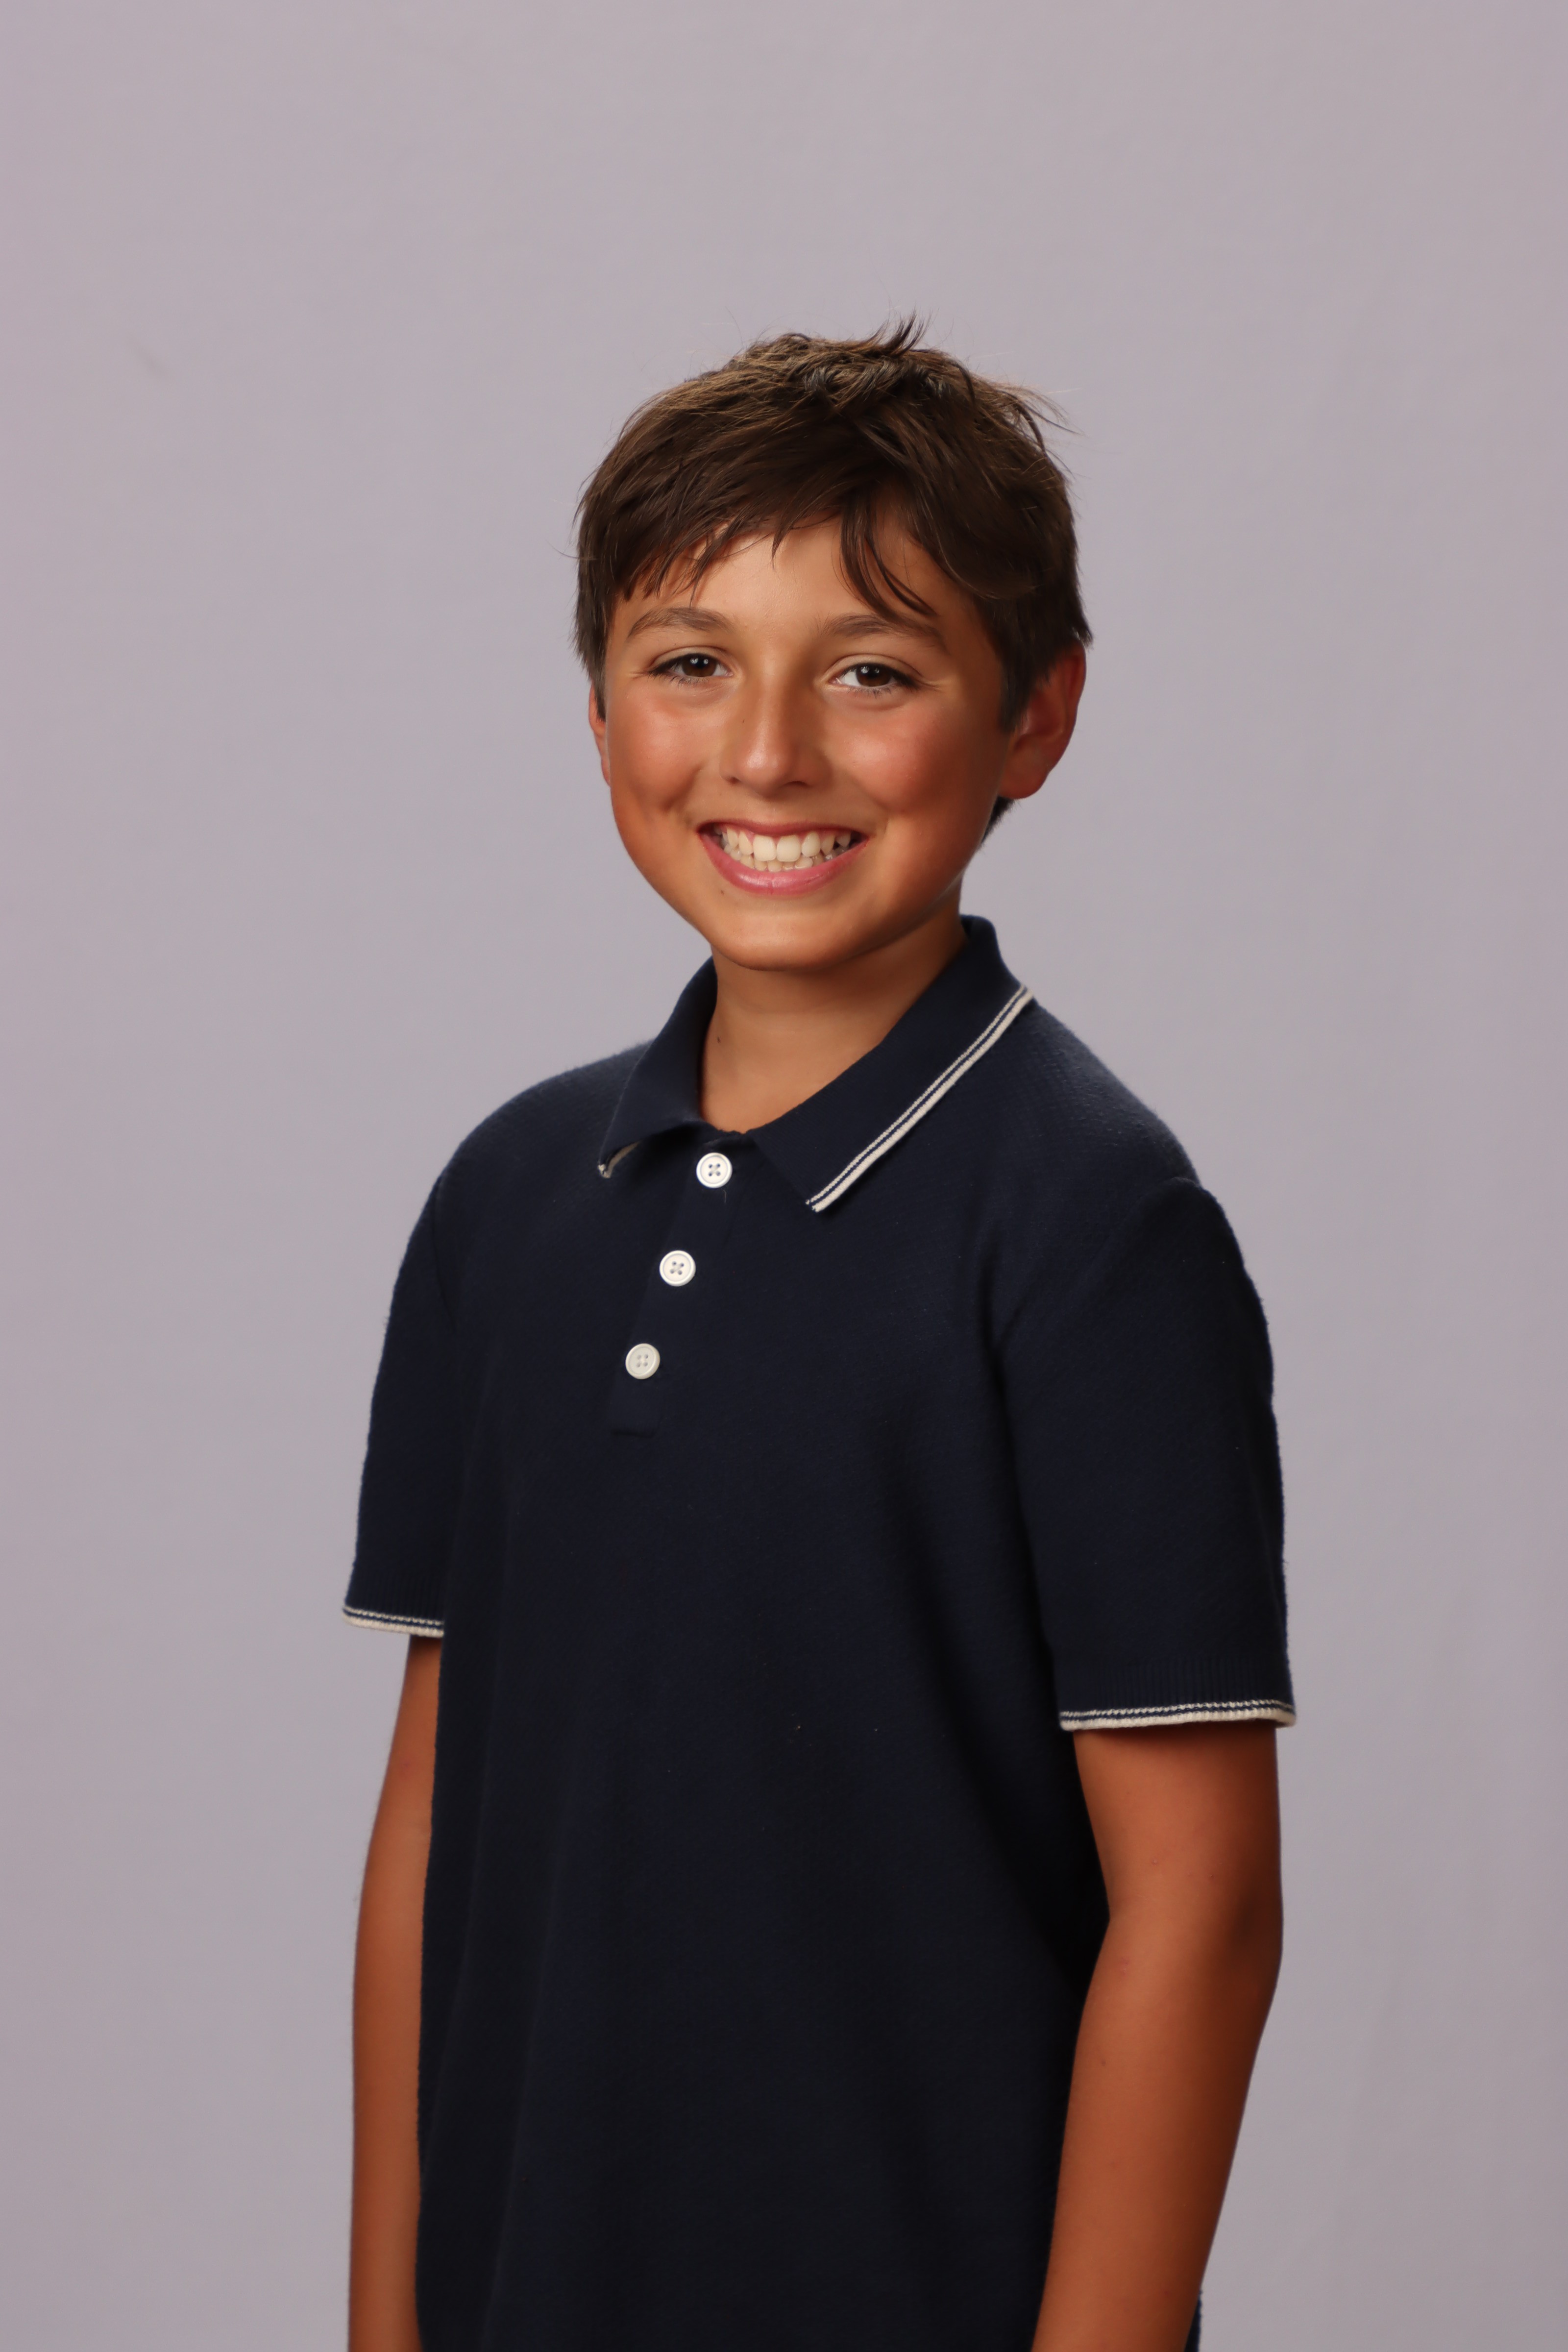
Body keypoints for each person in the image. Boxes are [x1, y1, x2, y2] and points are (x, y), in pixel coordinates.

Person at [345, 322, 1293, 2352]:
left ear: (1034, 716)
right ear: (598, 703)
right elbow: (435, 1811)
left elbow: (1199, 1910)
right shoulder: (507, 1199)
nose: (764, 752)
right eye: (690, 661)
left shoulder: (1094, 1229)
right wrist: (385, 2316)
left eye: (870, 672)